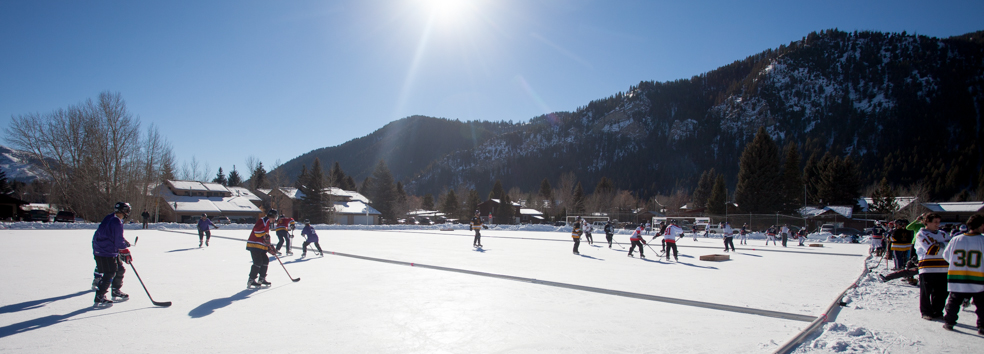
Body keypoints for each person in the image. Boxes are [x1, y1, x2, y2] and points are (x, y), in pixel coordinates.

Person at [941, 214, 984, 334]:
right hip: (978, 277)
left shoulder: (956, 239)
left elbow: (946, 255)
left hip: (957, 276)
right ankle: (982, 326)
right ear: (981, 225)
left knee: (954, 301)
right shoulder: (982, 240)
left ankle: (949, 322)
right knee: (981, 304)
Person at [92, 202, 133, 305]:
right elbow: (118, 240)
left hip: (107, 249)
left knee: (120, 269)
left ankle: (115, 290)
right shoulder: (116, 222)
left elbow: (112, 235)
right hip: (105, 251)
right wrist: (125, 252)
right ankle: (100, 296)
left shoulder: (111, 217)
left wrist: (123, 243)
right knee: (110, 272)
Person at [914, 213, 950, 320]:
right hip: (927, 268)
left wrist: (940, 245)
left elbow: (952, 246)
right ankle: (926, 312)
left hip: (943, 268)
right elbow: (931, 250)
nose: (937, 224)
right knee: (926, 292)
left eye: (939, 222)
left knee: (942, 292)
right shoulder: (921, 234)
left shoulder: (943, 234)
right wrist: (944, 245)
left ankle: (937, 311)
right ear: (927, 222)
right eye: (935, 222)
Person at [247, 208, 278, 288]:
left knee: (265, 260)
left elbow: (265, 237)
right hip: (254, 245)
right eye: (275, 218)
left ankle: (262, 278)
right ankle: (251, 279)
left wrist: (269, 247)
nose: (274, 220)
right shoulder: (263, 220)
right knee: (258, 262)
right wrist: (265, 237)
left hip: (260, 246)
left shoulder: (266, 222)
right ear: (273, 216)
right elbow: (257, 232)